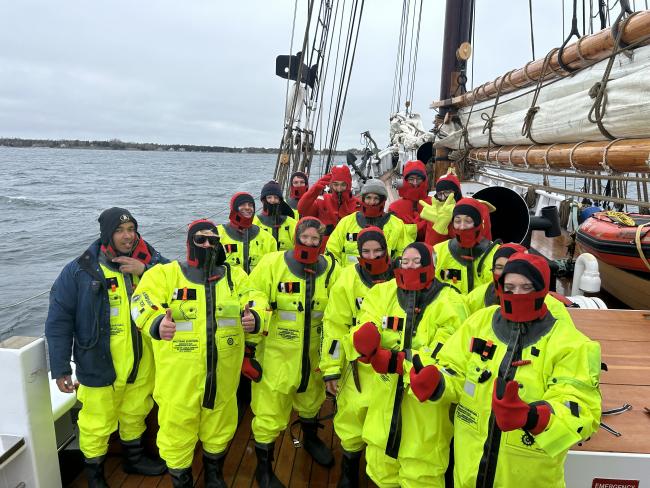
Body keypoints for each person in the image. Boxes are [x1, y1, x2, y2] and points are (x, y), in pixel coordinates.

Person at [409, 252, 601, 487]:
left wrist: (532, 417)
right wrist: (438, 382)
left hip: (528, 477)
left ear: (542, 290)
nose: (516, 295)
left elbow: (582, 411)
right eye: (509, 287)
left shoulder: (571, 343)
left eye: (526, 287)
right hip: (468, 471)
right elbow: (455, 370)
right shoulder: (479, 322)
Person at [131, 219, 267, 487]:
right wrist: (157, 322)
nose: (207, 245)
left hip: (223, 377)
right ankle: (182, 480)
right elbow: (141, 301)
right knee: (176, 433)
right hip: (179, 381)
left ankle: (214, 472)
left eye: (213, 240)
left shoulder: (233, 277)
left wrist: (257, 317)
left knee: (219, 427)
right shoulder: (165, 274)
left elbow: (256, 297)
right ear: (189, 243)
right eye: (200, 239)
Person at [45, 207, 167, 487]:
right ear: (106, 235)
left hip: (141, 361)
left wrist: (145, 269)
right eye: (120, 231)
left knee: (136, 411)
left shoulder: (148, 261)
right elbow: (59, 320)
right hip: (99, 363)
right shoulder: (80, 271)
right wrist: (61, 367)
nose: (127, 236)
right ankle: (96, 475)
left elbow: (179, 278)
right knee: (96, 422)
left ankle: (133, 459)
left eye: (132, 230)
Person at [350, 242, 468, 487]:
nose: (410, 266)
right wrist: (365, 335)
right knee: (381, 466)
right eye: (406, 261)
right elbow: (366, 319)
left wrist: (397, 361)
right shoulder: (384, 292)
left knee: (421, 473)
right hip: (384, 399)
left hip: (424, 410)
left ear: (432, 265)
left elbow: (447, 353)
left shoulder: (451, 301)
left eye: (418, 261)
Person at [249, 217, 340, 488]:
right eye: (306, 237)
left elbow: (343, 302)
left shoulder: (332, 269)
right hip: (277, 353)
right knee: (268, 411)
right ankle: (263, 468)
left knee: (312, 399)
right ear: (297, 236)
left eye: (316, 239)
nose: (310, 243)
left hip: (313, 354)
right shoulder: (272, 264)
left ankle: (310, 437)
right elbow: (254, 292)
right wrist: (255, 315)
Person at [320, 226, 396, 487]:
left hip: (389, 368)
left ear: (386, 251)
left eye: (378, 251)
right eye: (366, 251)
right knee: (350, 419)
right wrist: (331, 367)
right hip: (356, 367)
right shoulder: (346, 280)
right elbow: (334, 326)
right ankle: (349, 468)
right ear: (359, 252)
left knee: (386, 424)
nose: (372, 256)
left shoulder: (401, 279)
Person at [326, 178, 410, 266]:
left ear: (382, 201)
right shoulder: (346, 222)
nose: (372, 202)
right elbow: (332, 252)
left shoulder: (397, 224)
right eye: (368, 198)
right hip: (349, 277)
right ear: (363, 199)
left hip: (385, 277)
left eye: (376, 198)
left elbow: (404, 254)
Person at [433, 197, 500, 294]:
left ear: (478, 224)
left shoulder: (496, 254)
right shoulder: (439, 251)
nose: (462, 227)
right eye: (457, 221)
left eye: (468, 221)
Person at [217, 192, 277, 274]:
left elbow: (273, 268)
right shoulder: (218, 234)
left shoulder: (266, 238)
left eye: (250, 205)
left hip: (256, 285)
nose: (247, 208)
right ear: (234, 208)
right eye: (243, 205)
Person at [297, 164, 360, 239]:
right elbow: (302, 209)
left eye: (343, 185)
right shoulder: (322, 201)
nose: (339, 188)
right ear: (331, 185)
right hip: (323, 248)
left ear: (349, 185)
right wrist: (315, 189)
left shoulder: (358, 205)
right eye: (335, 184)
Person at [388, 160, 432, 241]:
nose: (415, 183)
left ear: (424, 181)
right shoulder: (394, 208)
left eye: (419, 179)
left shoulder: (433, 203)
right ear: (405, 181)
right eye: (411, 179)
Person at [419, 172, 463, 246]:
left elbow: (465, 242)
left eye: (447, 192)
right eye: (440, 194)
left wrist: (453, 218)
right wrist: (439, 222)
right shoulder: (434, 210)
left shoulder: (467, 208)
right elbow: (431, 245)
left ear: (456, 192)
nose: (443, 198)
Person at [254, 180, 297, 252]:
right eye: (269, 197)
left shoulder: (291, 223)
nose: (273, 200)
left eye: (276, 198)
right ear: (263, 200)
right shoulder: (255, 222)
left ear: (280, 200)